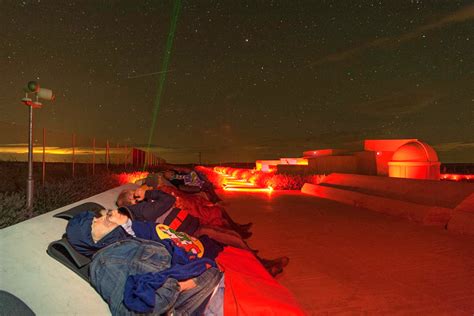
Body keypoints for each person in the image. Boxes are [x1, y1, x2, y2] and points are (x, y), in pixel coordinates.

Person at [66, 210, 223, 315]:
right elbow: (130, 312)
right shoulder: (105, 263)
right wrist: (180, 286)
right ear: (91, 240)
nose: (104, 217)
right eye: (95, 222)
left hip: (208, 281)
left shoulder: (124, 242)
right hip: (203, 299)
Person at [107, 207, 289, 277]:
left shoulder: (145, 216)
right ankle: (262, 265)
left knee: (228, 234)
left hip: (192, 235)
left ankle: (260, 260)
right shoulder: (142, 219)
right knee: (220, 237)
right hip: (192, 240)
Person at [116, 187, 252, 239]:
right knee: (228, 234)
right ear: (133, 201)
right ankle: (262, 262)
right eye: (135, 195)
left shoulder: (146, 207)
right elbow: (169, 199)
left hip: (192, 225)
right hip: (191, 232)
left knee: (229, 232)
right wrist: (148, 193)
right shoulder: (145, 211)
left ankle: (240, 231)